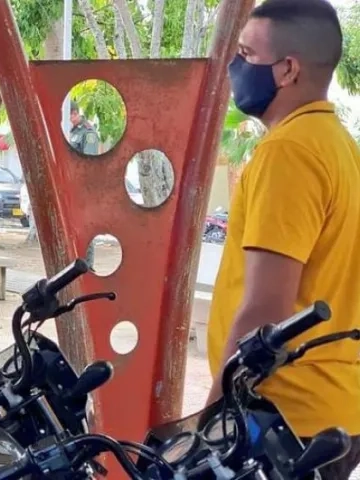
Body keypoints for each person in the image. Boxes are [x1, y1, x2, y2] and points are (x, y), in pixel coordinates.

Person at [205, 1, 360, 477]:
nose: (236, 67)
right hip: (335, 408)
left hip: (283, 417)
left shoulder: (288, 152)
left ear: (287, 69)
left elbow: (264, 310)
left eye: (247, 54)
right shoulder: (340, 146)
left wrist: (209, 417)